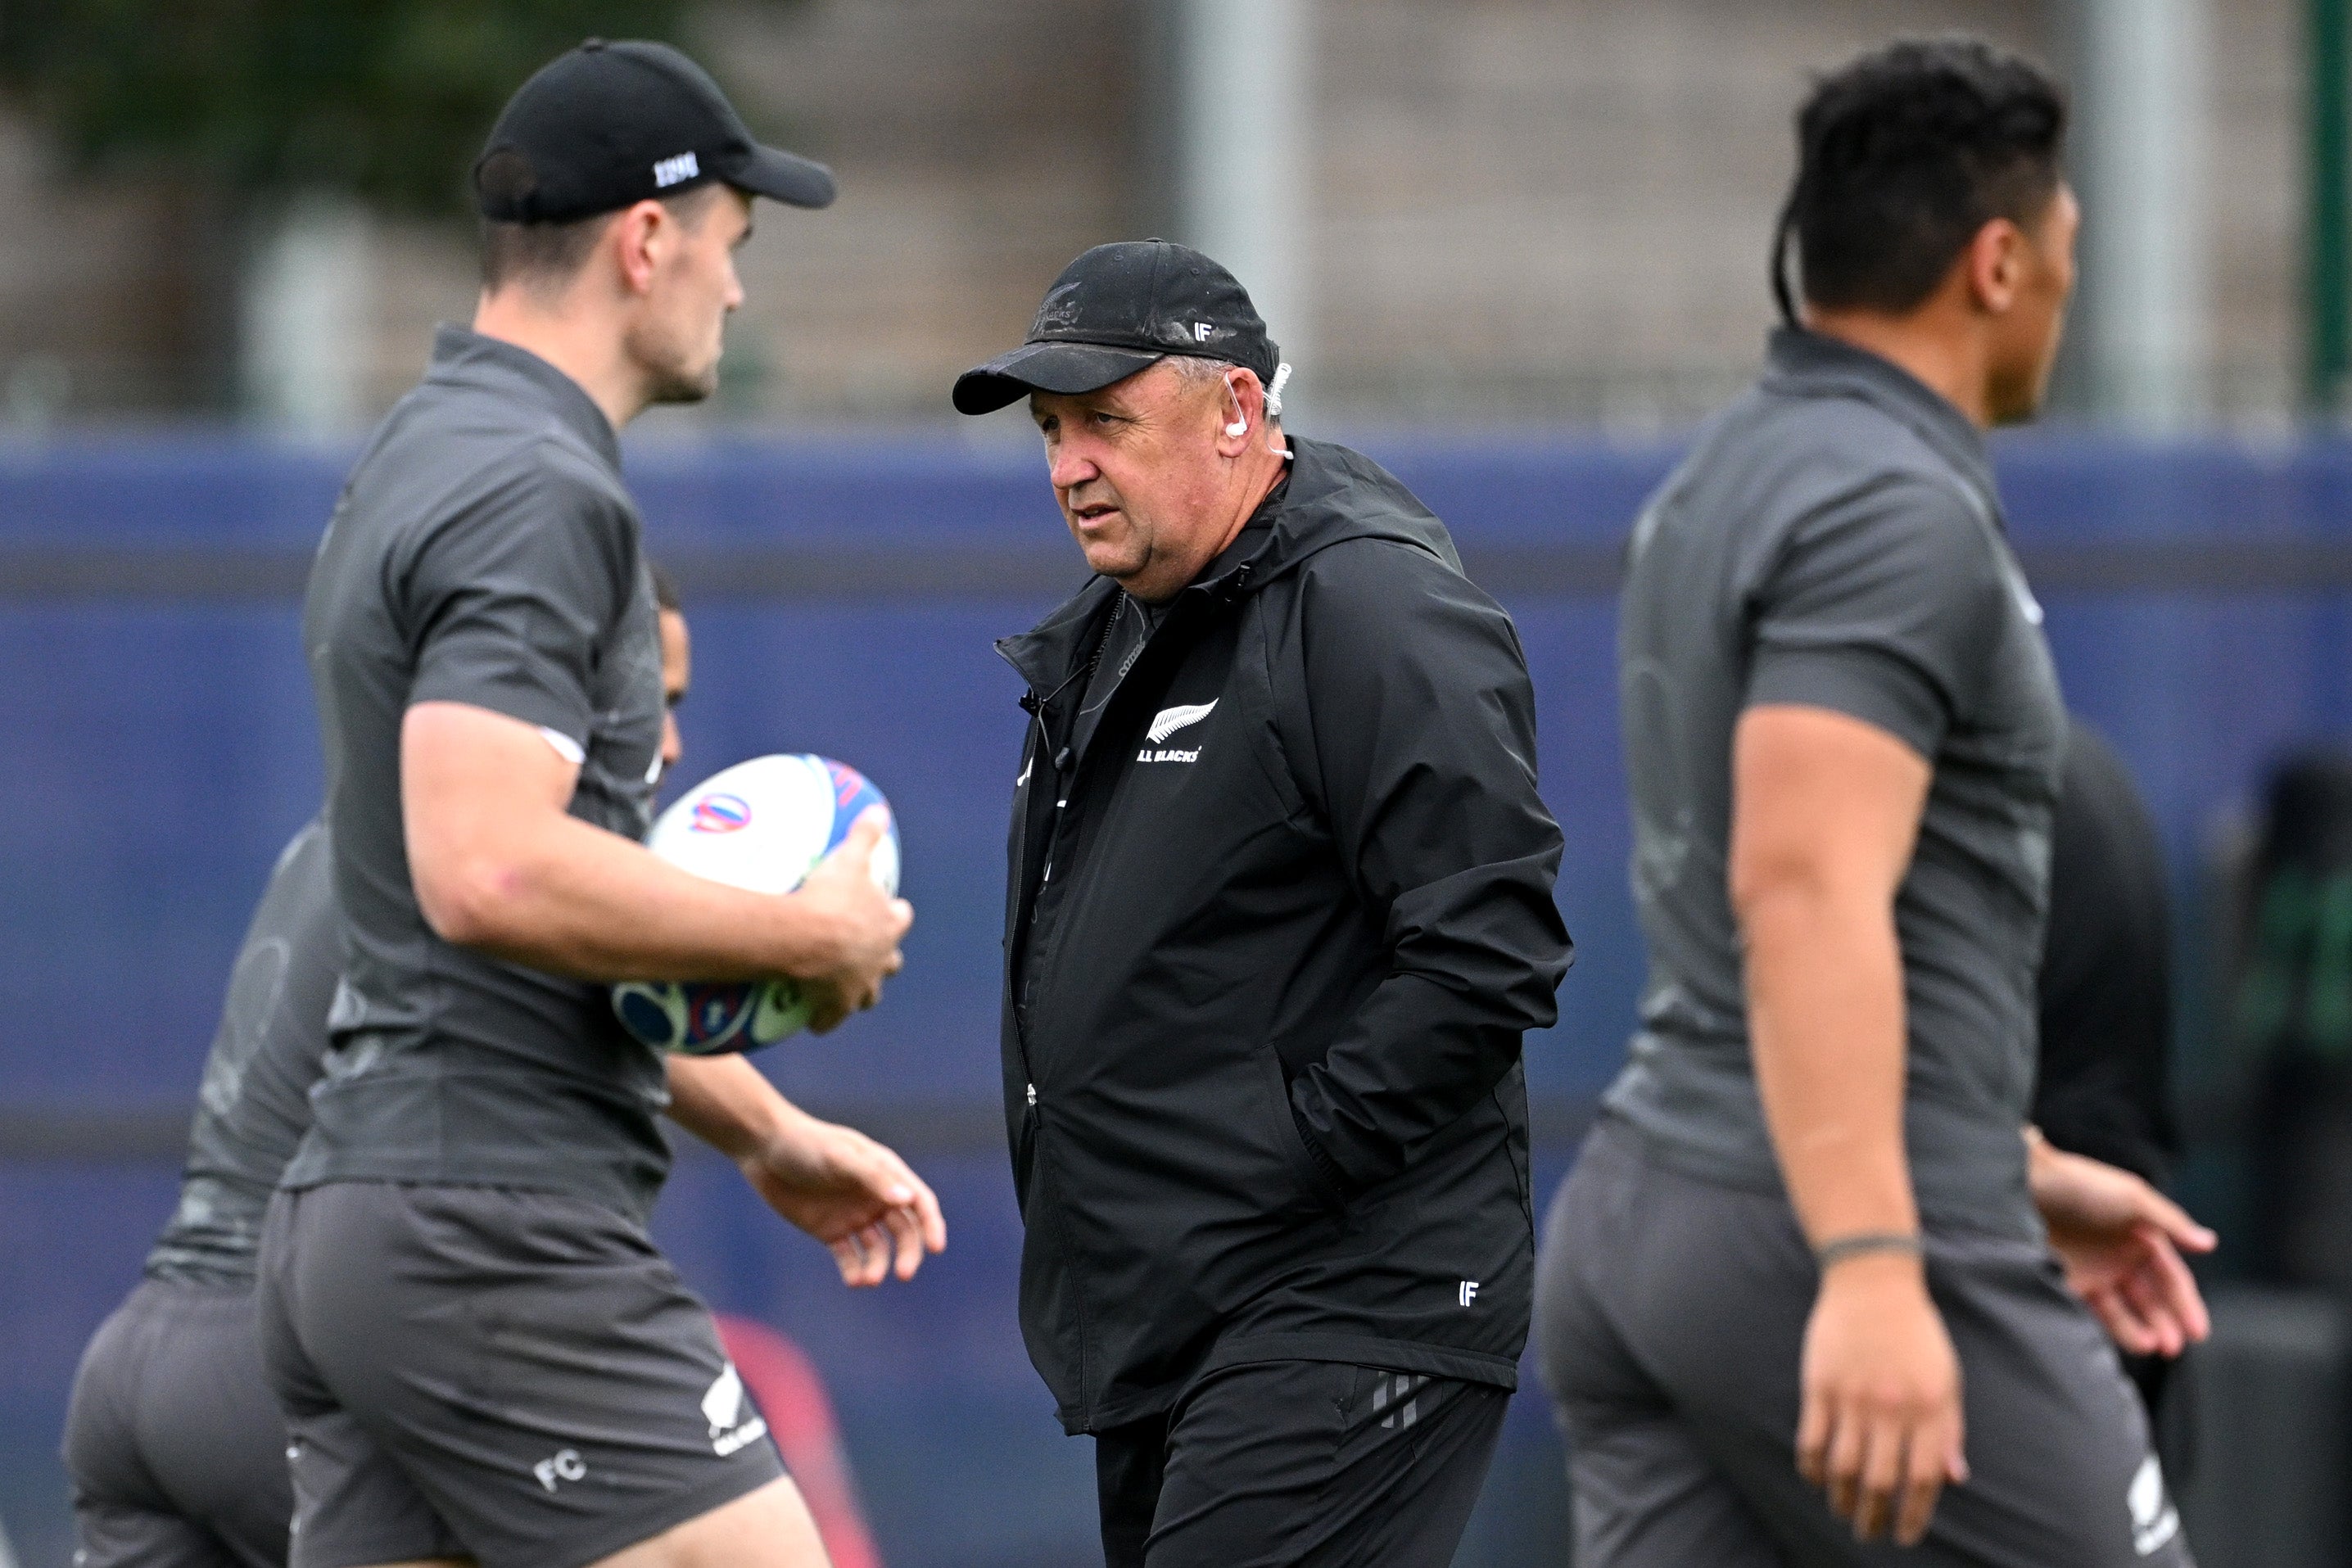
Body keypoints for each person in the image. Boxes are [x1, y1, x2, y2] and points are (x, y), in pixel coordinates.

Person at [1535, 38, 2215, 1567]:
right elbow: (1802, 890)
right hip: (1818, 1234)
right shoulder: (1889, 510)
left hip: (1650, 1228)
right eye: (2062, 252)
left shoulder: (1728, 476)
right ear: (1994, 264)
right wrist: (1869, 1262)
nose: (2062, 287)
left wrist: (2013, 1162)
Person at [260, 42, 936, 1568]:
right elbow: (487, 874)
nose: (738, 293)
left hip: (370, 1217)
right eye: (734, 247)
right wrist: (800, 935)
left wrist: (763, 1132)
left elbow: (496, 938)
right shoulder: (533, 486)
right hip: (493, 1229)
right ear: (650, 239)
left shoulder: (422, 452)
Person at [66, 576, 905, 1568]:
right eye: (656, 699)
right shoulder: (501, 859)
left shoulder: (371, 827)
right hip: (316, 1354)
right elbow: (609, 976)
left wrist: (771, 1134)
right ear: (559, 687)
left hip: (146, 1365)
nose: (672, 745)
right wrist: (815, 947)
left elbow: (611, 998)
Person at [953, 239, 1573, 1566]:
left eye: (1107, 422)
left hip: (1344, 1290)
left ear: (1236, 410)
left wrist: (1287, 1155)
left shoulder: (1370, 603)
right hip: (1177, 1304)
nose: (1068, 465)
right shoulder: (1119, 622)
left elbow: (1489, 949)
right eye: (1052, 430)